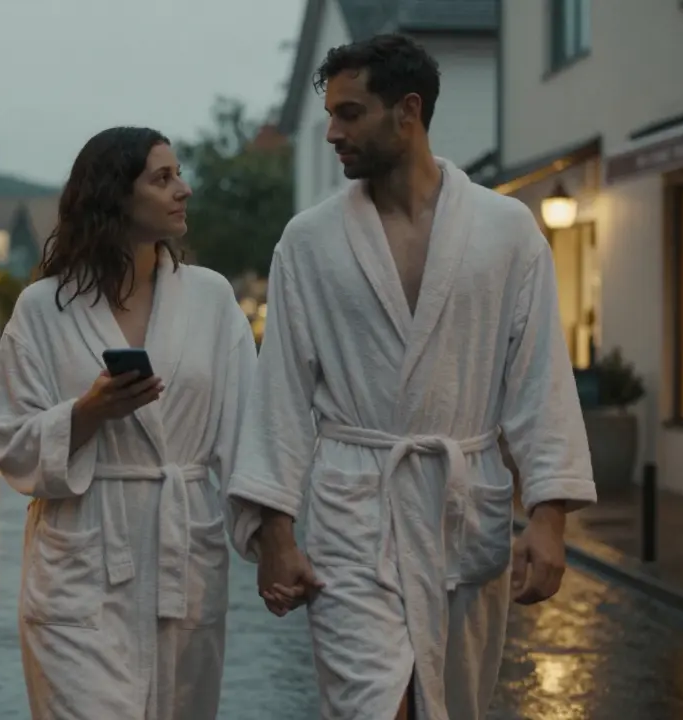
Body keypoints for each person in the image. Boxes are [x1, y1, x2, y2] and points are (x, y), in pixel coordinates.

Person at [225, 35, 597, 720]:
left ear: (409, 111)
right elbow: (279, 393)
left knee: (449, 703)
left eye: (350, 113)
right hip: (353, 512)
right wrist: (275, 537)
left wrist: (549, 519)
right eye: (330, 114)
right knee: (375, 705)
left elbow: (539, 378)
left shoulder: (505, 230)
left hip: (460, 512)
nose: (333, 132)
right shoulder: (308, 241)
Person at [0, 126, 256, 720]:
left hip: (184, 552)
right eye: (162, 178)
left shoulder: (211, 300)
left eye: (179, 174)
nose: (183, 189)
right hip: (81, 562)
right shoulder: (45, 308)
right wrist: (85, 415)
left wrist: (273, 541)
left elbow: (246, 436)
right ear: (114, 195)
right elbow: (6, 435)